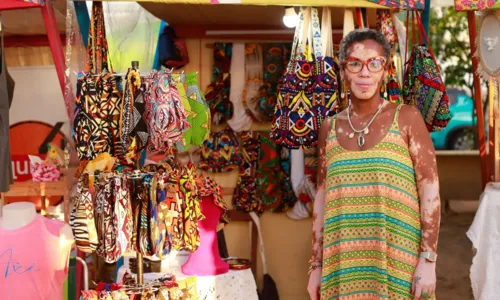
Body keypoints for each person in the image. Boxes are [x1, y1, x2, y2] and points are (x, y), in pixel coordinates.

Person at [307, 29, 441, 300]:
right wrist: (316, 265)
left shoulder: (407, 118)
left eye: (374, 63)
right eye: (355, 63)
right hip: (341, 266)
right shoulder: (330, 128)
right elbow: (321, 200)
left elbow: (430, 192)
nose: (364, 73)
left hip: (398, 264)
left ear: (385, 69)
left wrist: (428, 260)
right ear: (343, 71)